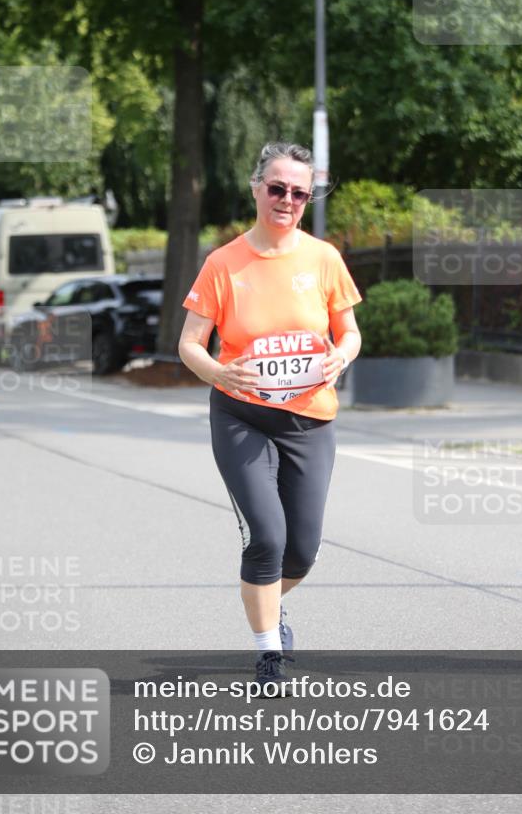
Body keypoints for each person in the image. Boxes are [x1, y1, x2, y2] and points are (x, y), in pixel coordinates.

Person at [178, 142, 362, 693]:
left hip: (310, 417)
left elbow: (349, 331)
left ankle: (261, 601)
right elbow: (190, 343)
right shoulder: (223, 263)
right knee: (267, 537)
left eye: (299, 192)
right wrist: (219, 373)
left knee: (302, 549)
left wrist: (341, 354)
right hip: (243, 416)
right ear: (256, 187)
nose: (287, 200)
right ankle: (268, 652)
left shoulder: (324, 258)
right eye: (277, 188)